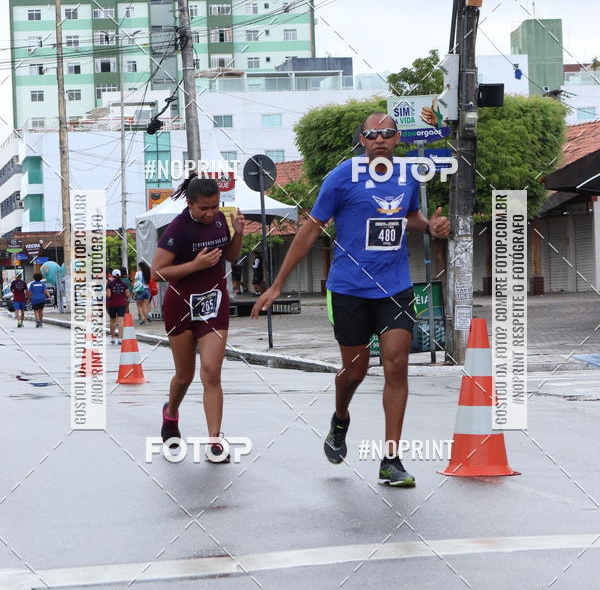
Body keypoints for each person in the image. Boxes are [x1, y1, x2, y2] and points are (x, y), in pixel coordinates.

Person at [252, 113, 451, 487]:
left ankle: (391, 460)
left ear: (397, 139)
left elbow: (411, 217)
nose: (379, 139)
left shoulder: (408, 174)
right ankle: (340, 417)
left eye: (387, 133)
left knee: (396, 365)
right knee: (355, 372)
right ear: (362, 139)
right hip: (348, 289)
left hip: (395, 287)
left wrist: (431, 227)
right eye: (372, 134)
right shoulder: (343, 176)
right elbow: (311, 228)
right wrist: (277, 284)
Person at [151, 175, 245, 461]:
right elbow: (157, 271)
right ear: (190, 204)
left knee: (211, 372)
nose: (210, 213)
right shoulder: (178, 228)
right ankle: (171, 412)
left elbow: (229, 255)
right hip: (180, 306)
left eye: (215, 206)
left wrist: (238, 233)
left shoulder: (220, 221)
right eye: (204, 208)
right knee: (185, 375)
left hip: (212, 305)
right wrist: (195, 265)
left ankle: (215, 440)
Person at [106, 269, 130, 343]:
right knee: (121, 321)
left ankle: (113, 338)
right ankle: (120, 338)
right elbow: (128, 295)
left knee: (112, 321)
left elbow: (109, 295)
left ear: (113, 276)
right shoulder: (124, 284)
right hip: (121, 304)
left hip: (112, 304)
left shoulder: (109, 284)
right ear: (120, 275)